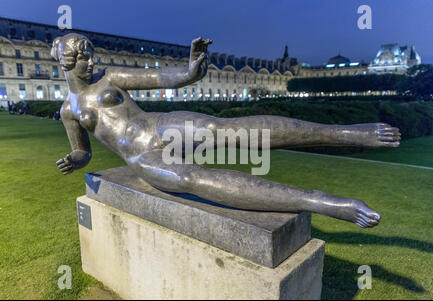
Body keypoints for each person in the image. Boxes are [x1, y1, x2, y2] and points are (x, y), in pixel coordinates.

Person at [54, 33, 401, 228]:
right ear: (66, 62)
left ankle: (347, 134)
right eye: (83, 57)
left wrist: (193, 66)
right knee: (192, 180)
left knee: (225, 130)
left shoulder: (111, 77)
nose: (91, 61)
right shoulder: (68, 110)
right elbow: (84, 151)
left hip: (159, 125)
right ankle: (327, 203)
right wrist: (75, 158)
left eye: (91, 54)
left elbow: (170, 78)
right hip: (142, 156)